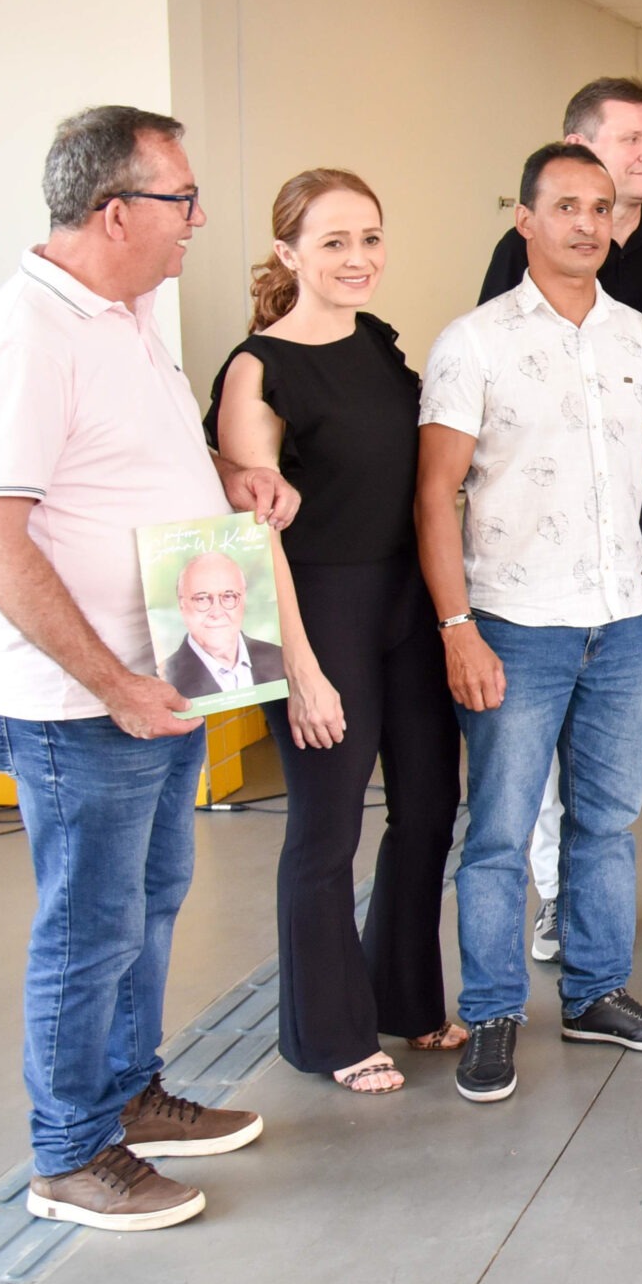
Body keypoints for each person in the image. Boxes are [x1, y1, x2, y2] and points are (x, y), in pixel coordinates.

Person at [0, 106, 279, 1230]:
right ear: (116, 209)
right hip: (81, 705)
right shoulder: (24, 336)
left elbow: (123, 465)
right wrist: (116, 684)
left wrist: (227, 476)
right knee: (87, 930)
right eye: (181, 199)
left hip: (161, 683)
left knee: (147, 902)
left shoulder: (126, 314)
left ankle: (129, 1092)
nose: (197, 220)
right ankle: (69, 1153)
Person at [419, 141, 642, 1103]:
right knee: (501, 832)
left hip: (621, 621)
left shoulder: (637, 337)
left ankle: (595, 996)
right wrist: (457, 625)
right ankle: (496, 1013)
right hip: (513, 621)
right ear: (527, 219)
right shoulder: (475, 342)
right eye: (567, 208)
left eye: (601, 208)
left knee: (604, 822)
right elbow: (435, 496)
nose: (588, 224)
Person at [207, 169, 465, 1096]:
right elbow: (251, 531)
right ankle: (329, 1033)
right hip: (317, 606)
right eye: (333, 243)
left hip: (405, 599)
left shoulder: (382, 346)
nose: (358, 260)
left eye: (370, 238)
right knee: (325, 831)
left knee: (431, 807)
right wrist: (303, 672)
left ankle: (404, 996)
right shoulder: (257, 367)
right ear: (288, 254)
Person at [479, 78, 642, 963]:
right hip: (546, 551)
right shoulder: (522, 262)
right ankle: (554, 894)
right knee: (538, 743)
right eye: (631, 138)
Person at [157, 552, 287, 695]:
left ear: (243, 599)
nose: (217, 612)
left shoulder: (281, 658)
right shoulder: (164, 683)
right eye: (202, 599)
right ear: (182, 605)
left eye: (228, 596)